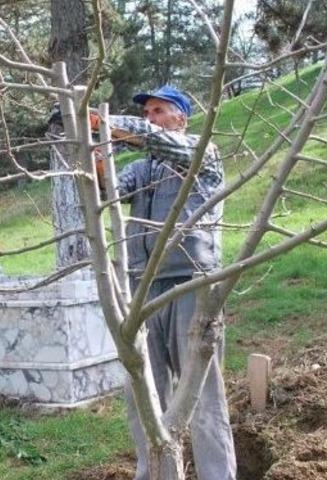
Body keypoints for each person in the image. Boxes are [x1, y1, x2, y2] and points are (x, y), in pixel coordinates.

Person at [98, 85, 236, 479]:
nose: (151, 119)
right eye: (147, 114)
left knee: (202, 395)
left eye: (159, 111)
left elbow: (162, 144)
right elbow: (108, 190)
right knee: (144, 397)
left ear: (181, 118)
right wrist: (94, 161)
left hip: (192, 283)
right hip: (142, 290)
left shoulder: (201, 154)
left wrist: (105, 121)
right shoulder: (142, 169)